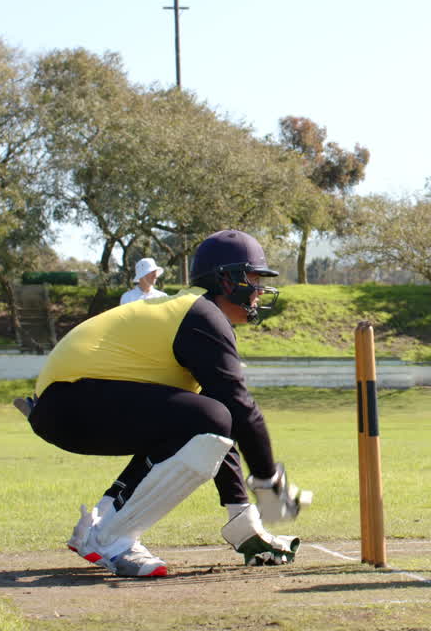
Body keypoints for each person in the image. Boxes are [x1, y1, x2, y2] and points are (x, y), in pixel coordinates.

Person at [22, 230, 311, 577]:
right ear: (228, 280)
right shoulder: (202, 315)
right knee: (213, 414)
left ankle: (100, 524)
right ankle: (110, 538)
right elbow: (238, 407)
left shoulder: (192, 311)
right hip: (73, 399)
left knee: (206, 418)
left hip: (67, 403)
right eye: (253, 277)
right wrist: (268, 482)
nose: (259, 289)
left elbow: (219, 427)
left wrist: (242, 516)